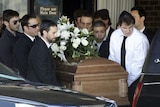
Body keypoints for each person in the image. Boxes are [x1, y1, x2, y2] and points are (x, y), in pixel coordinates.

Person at [108, 11, 149, 105]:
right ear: (119, 25)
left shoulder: (140, 40)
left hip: (135, 79)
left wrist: (127, 82)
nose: (128, 30)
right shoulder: (115, 35)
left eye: (130, 27)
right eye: (124, 28)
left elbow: (139, 64)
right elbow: (112, 57)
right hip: (118, 77)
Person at [27, 19, 60, 86]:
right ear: (45, 32)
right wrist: (59, 87)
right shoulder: (39, 49)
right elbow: (44, 75)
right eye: (53, 33)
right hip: (39, 89)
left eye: (56, 33)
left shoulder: (43, 46)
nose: (56, 35)